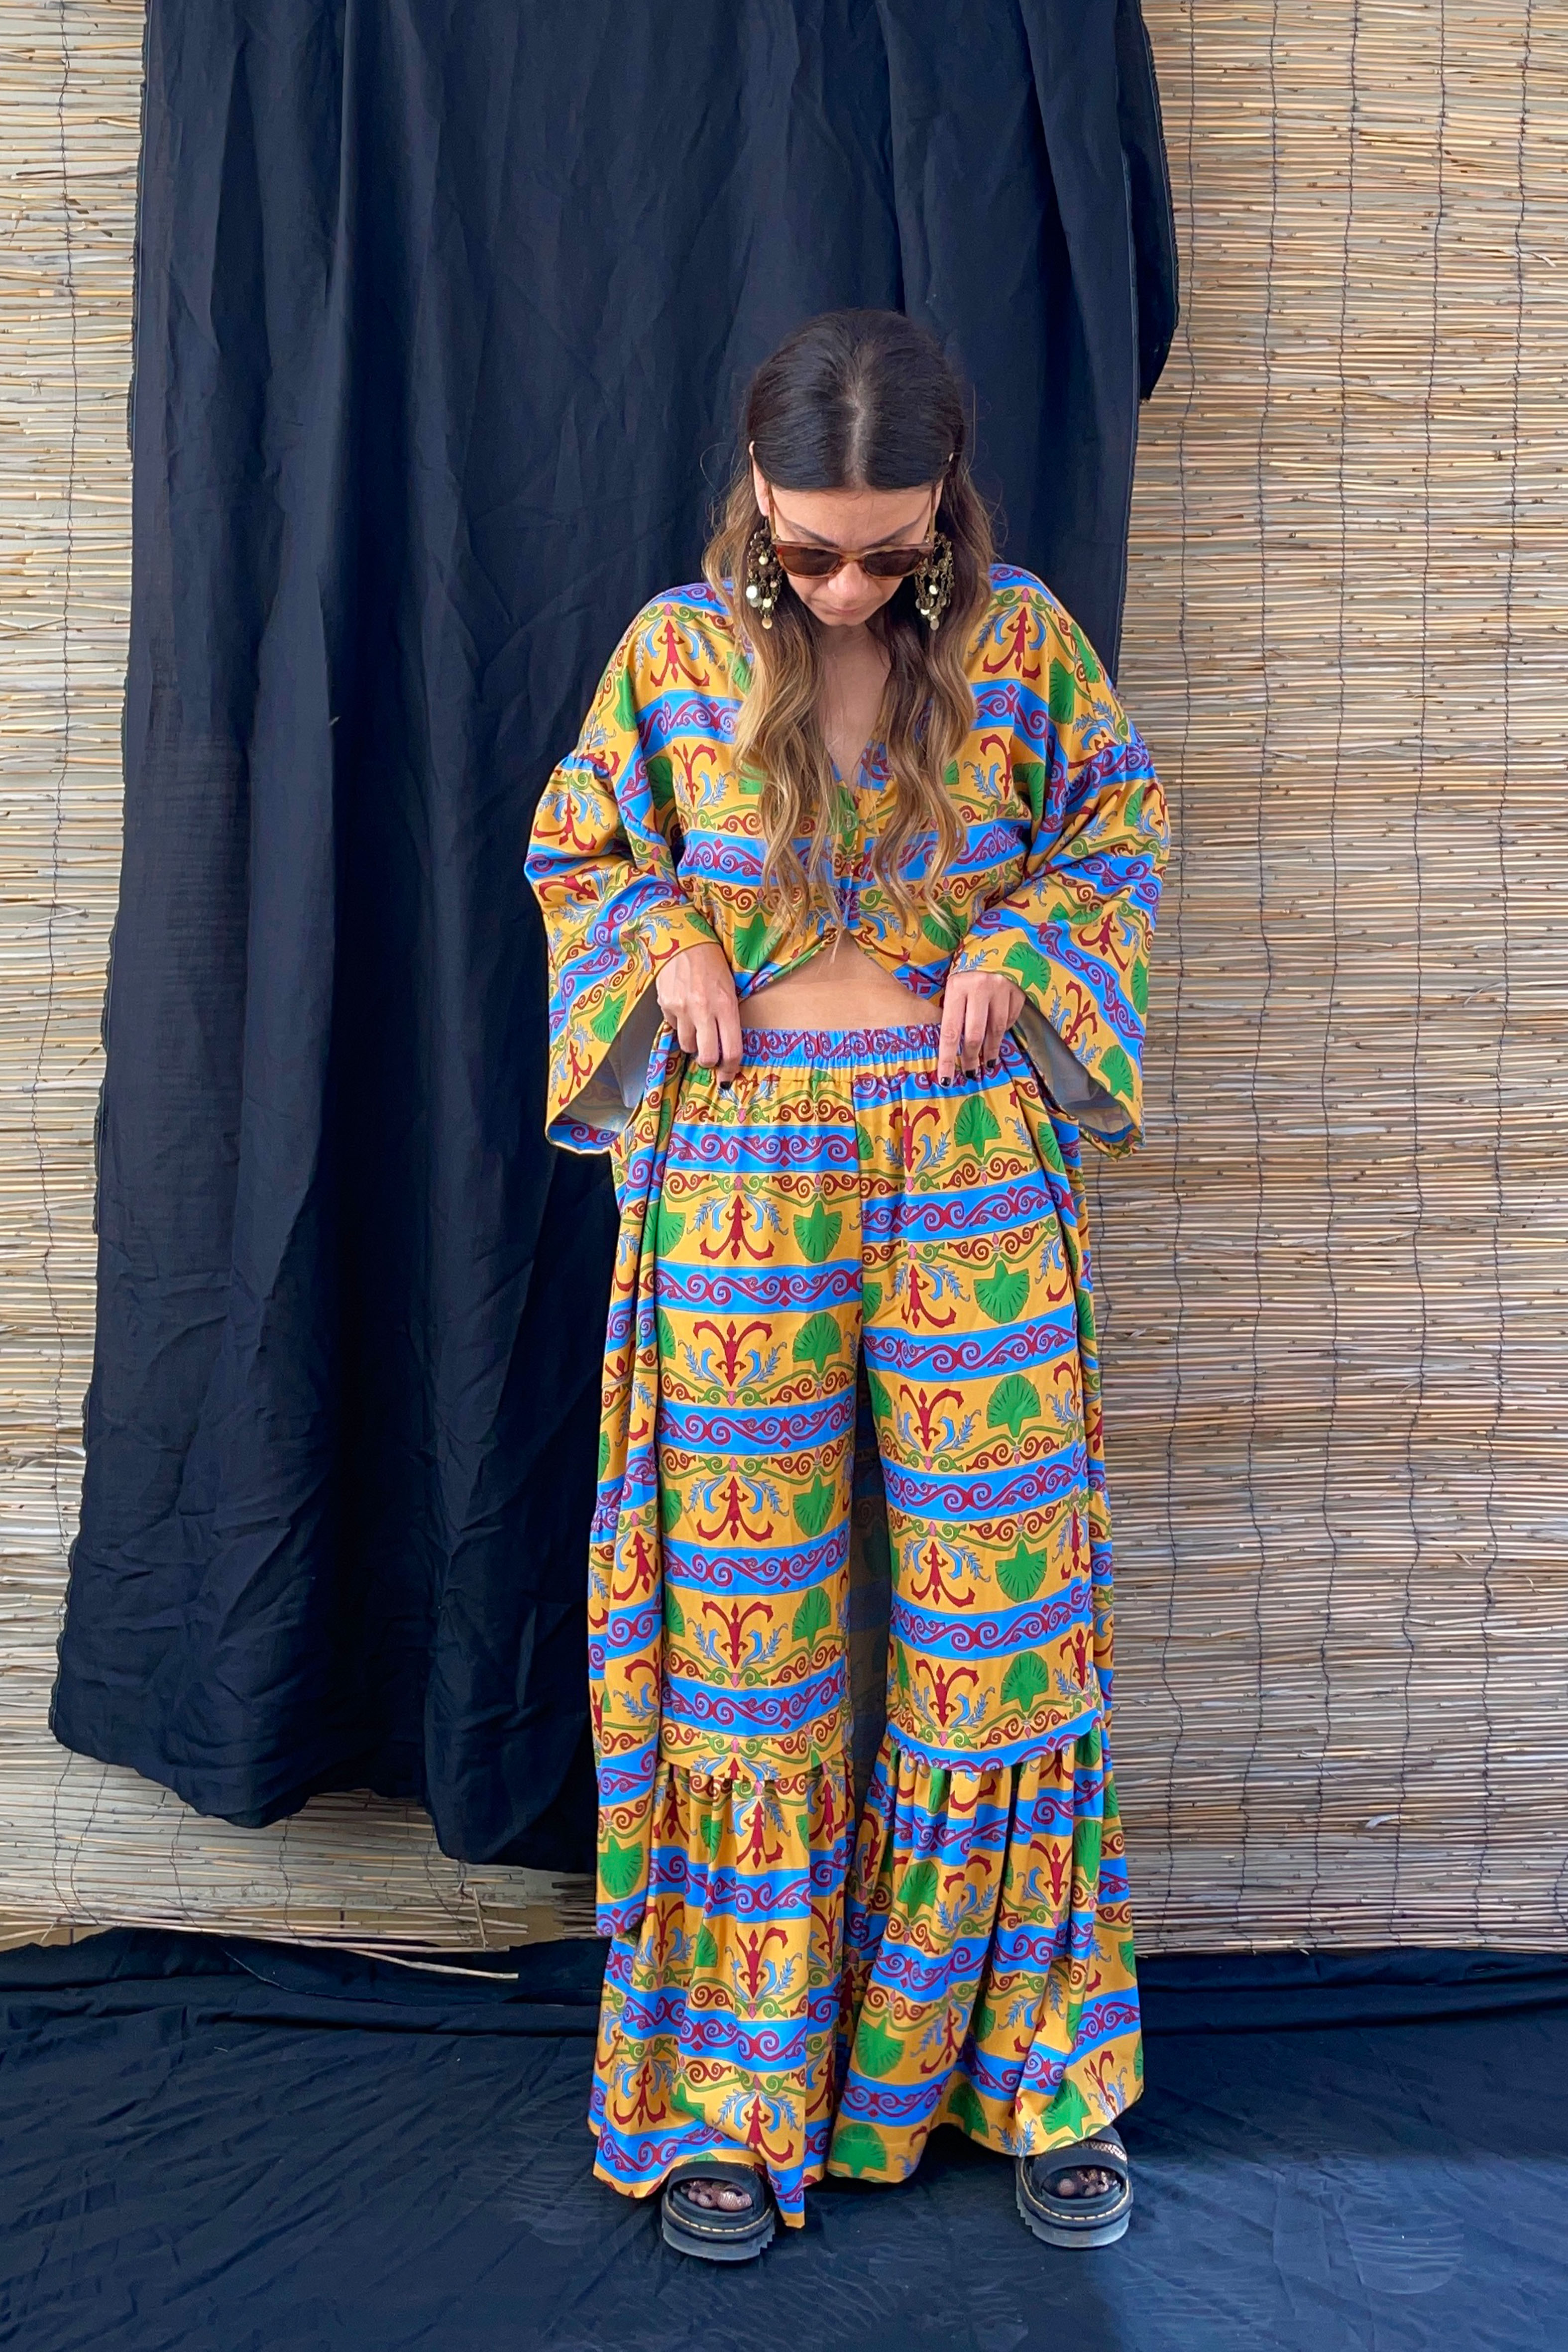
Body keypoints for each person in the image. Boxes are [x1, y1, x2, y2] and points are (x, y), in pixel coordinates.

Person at [525, 309, 1167, 2261]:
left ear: (944, 501)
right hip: (741, 1176)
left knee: (1002, 1620)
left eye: (887, 551)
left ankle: (1035, 2070)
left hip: (970, 1168)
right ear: (755, 490)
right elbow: (575, 844)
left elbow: (1116, 834)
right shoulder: (674, 654)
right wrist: (660, 936)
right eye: (810, 547)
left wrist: (1026, 949)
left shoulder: (1023, 647)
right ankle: (733, 2089)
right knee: (748, 1643)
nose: (845, 586)